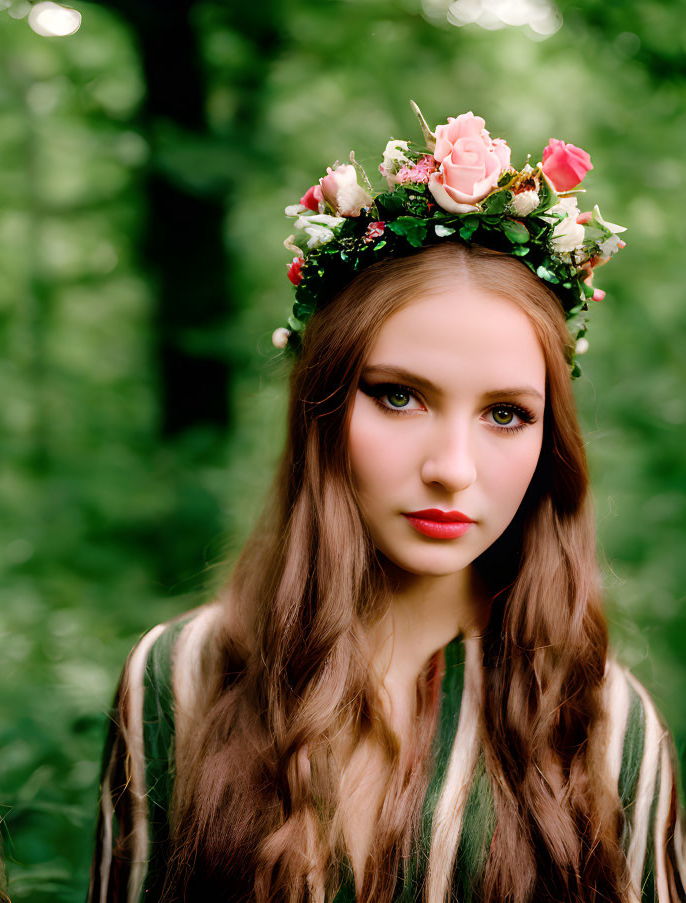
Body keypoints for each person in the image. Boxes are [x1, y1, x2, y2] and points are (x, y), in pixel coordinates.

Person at [89, 106, 684, 902]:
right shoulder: (182, 678)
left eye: (505, 413)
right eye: (399, 397)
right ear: (323, 406)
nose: (451, 469)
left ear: (551, 444)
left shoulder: (607, 724)